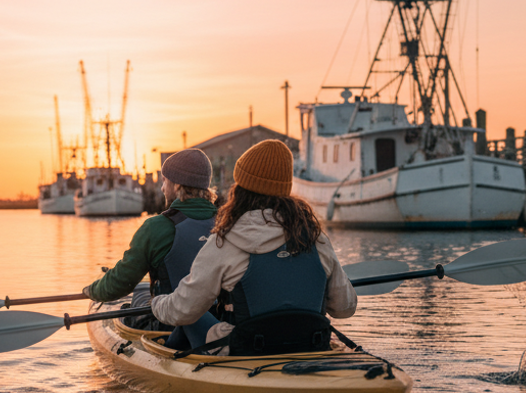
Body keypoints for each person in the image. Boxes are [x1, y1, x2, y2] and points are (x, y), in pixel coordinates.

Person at [150, 139, 356, 356]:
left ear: (241, 189)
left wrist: (158, 304)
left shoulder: (226, 241)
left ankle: (167, 356)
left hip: (246, 352)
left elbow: (183, 310)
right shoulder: (317, 238)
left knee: (193, 316)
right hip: (310, 345)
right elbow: (344, 308)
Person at [82, 148, 220, 348]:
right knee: (143, 292)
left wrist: (92, 291)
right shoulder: (227, 222)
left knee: (137, 299)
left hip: (167, 325)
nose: (162, 189)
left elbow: (120, 283)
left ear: (177, 185)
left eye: (165, 181)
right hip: (217, 323)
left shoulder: (156, 227)